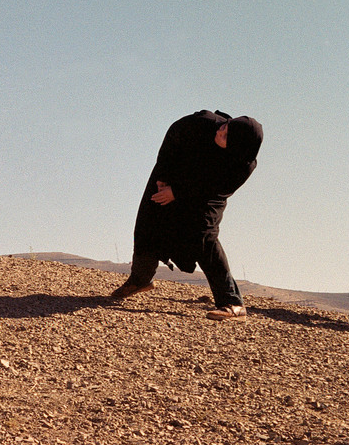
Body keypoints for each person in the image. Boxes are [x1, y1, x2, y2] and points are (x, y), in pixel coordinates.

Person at [111, 110, 263, 321]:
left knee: (203, 236)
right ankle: (140, 280)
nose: (221, 131)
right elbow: (173, 135)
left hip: (208, 192)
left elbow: (215, 188)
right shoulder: (202, 123)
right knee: (149, 218)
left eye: (227, 135)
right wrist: (163, 176)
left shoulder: (243, 165)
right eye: (225, 126)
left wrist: (177, 193)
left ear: (237, 147)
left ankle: (232, 302)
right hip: (173, 169)